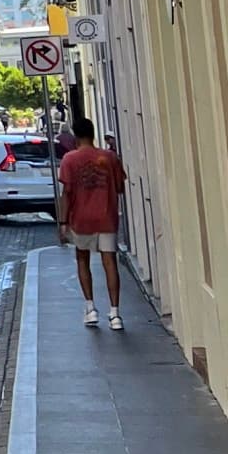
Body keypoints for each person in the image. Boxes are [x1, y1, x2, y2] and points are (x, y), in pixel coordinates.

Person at [57, 114, 128, 330]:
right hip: (106, 216)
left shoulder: (69, 160)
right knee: (110, 263)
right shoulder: (109, 158)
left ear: (76, 136)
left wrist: (62, 221)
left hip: (81, 219)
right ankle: (115, 314)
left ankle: (90, 308)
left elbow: (66, 193)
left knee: (82, 260)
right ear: (93, 133)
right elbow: (119, 188)